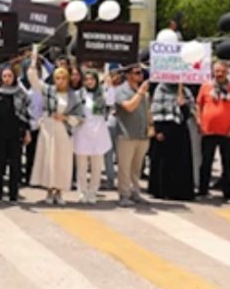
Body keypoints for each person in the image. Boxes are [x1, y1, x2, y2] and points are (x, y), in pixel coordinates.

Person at [28, 64, 81, 205]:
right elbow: (34, 80)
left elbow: (80, 117)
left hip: (63, 130)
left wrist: (65, 118)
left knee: (61, 161)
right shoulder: (49, 90)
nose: (60, 81)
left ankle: (59, 192)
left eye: (63, 78)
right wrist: (33, 63)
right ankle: (49, 191)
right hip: (49, 128)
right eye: (58, 78)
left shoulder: (73, 96)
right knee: (49, 160)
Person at [196, 61, 230, 202]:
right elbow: (198, 105)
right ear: (213, 72)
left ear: (227, 72)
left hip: (226, 133)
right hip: (208, 131)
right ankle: (203, 190)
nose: (220, 74)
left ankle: (227, 193)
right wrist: (199, 122)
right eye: (217, 71)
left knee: (227, 164)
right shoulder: (205, 86)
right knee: (206, 162)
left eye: (222, 71)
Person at [0, 66, 31, 202]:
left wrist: (27, 131)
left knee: (15, 166)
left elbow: (26, 113)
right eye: (4, 76)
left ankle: (13, 194)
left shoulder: (20, 92)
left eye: (10, 76)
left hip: (16, 133)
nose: (7, 79)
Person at [149, 81, 195, 201]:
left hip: (180, 130)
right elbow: (155, 110)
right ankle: (161, 191)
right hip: (164, 128)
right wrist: (158, 130)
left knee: (180, 162)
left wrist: (182, 104)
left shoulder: (186, 91)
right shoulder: (160, 89)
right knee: (162, 161)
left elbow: (189, 114)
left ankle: (179, 192)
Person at [113, 64, 151, 206]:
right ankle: (124, 194)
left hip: (142, 134)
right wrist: (140, 93)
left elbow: (147, 111)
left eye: (141, 73)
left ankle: (135, 192)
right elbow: (129, 107)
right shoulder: (121, 90)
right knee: (125, 167)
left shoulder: (143, 92)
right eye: (137, 73)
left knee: (137, 167)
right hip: (126, 134)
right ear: (128, 75)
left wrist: (151, 126)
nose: (140, 76)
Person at [73, 69, 112, 204]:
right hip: (82, 132)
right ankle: (82, 191)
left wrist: (110, 85)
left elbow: (111, 101)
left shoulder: (102, 94)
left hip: (98, 132)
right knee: (82, 166)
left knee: (96, 166)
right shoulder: (78, 94)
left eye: (92, 79)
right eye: (87, 79)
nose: (89, 82)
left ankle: (93, 192)